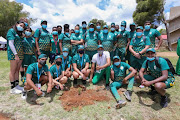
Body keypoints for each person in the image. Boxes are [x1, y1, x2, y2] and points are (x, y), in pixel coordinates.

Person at [6, 20, 25, 94]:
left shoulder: (18, 33)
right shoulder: (11, 31)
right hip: (14, 54)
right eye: (20, 25)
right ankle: (12, 88)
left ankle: (17, 85)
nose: (21, 27)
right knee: (13, 71)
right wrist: (15, 54)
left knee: (17, 70)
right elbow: (11, 43)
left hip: (20, 54)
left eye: (23, 27)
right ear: (17, 24)